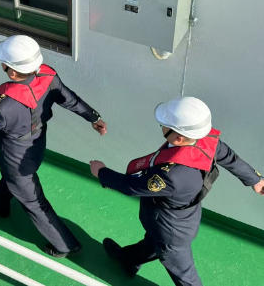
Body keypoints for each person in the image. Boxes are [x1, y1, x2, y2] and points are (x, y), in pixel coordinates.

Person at [0, 35, 107, 257]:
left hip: (16, 157)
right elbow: (69, 99)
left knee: (33, 201)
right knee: (13, 180)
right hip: (36, 143)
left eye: (4, 63)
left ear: (12, 72)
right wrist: (93, 117)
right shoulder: (48, 75)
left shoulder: (4, 105)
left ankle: (65, 245)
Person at [89, 96, 264, 286]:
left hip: (170, 230)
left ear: (179, 137)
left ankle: (130, 259)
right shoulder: (206, 141)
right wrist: (255, 180)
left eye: (164, 125)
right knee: (152, 243)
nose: (162, 127)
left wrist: (102, 172)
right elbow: (230, 157)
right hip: (179, 218)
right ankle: (128, 259)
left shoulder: (172, 175)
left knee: (185, 276)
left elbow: (131, 186)